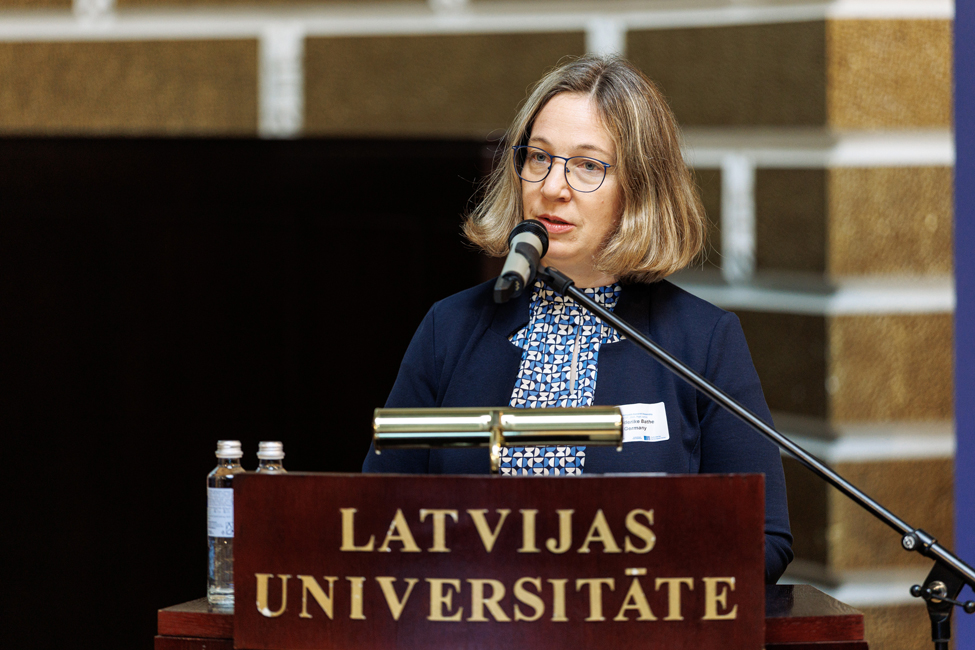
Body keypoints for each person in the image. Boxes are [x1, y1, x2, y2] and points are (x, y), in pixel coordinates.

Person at [362, 54, 793, 583]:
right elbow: (376, 518)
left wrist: (626, 588)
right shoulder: (449, 329)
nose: (553, 186)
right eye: (539, 158)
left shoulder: (702, 340)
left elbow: (763, 539)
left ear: (639, 187)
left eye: (588, 165)